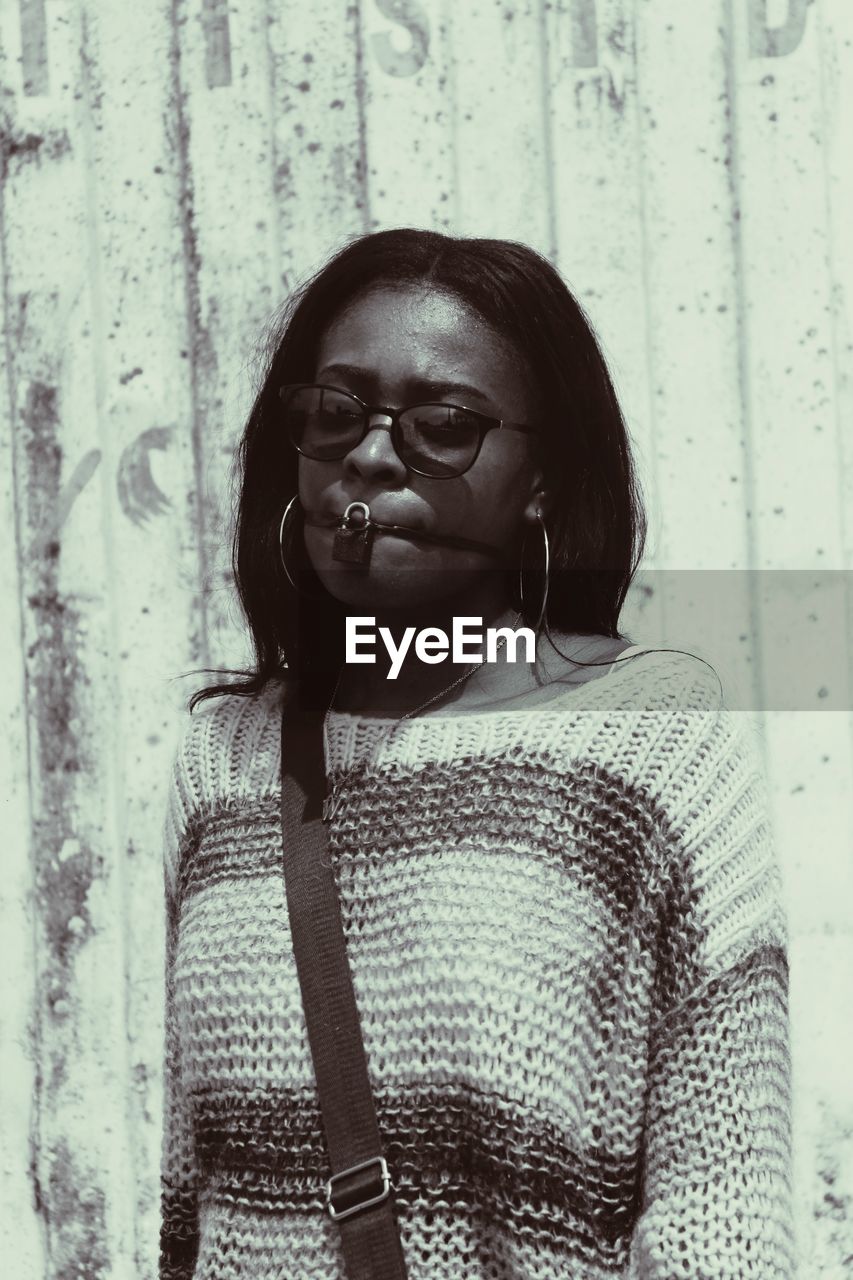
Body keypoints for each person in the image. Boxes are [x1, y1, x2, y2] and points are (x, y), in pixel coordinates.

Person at [159, 230, 793, 1279]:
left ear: (542, 481)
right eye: (334, 410)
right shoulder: (226, 758)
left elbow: (722, 1218)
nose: (369, 454)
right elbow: (194, 1204)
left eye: (443, 425)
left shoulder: (650, 739)